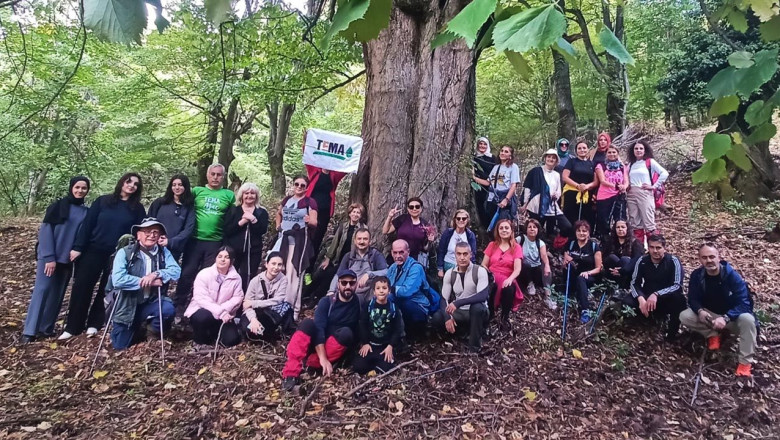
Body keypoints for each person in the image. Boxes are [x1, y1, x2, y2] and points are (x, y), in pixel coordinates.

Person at [60, 173, 146, 340]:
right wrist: (78, 247)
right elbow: (88, 225)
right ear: (121, 182)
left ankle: (94, 323)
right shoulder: (103, 201)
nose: (131, 185)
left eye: (135, 184)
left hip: (118, 255)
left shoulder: (137, 208)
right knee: (82, 287)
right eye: (129, 181)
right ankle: (72, 327)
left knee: (106, 290)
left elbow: (139, 232)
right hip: (93, 249)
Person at [21, 176, 91, 344]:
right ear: (71, 187)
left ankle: (46, 328)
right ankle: (29, 331)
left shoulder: (86, 212)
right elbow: (45, 232)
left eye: (83, 188)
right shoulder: (57, 206)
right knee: (42, 290)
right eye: (77, 187)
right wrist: (49, 257)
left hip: (67, 260)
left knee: (57, 294)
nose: (80, 190)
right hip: (50, 257)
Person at [680, 244, 757, 377]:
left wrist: (726, 317)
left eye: (711, 257)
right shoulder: (698, 276)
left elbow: (744, 303)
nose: (709, 260)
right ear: (699, 259)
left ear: (718, 257)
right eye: (704, 257)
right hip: (710, 316)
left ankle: (745, 363)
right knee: (685, 316)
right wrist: (700, 311)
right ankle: (712, 334)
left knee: (748, 320)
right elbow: (693, 299)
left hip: (732, 318)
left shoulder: (732, 276)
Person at [281, 269, 361, 391]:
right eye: (344, 283)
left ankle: (312, 364)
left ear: (356, 284)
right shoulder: (327, 302)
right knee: (307, 324)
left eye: (351, 283)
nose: (348, 286)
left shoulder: (359, 303)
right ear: (338, 284)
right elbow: (319, 329)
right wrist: (323, 358)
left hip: (336, 347)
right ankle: (291, 374)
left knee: (347, 333)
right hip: (318, 344)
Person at [174, 164, 235, 320]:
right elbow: (180, 204)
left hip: (215, 242)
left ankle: (202, 306)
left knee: (209, 277)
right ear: (208, 175)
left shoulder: (228, 195)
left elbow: (233, 216)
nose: (215, 177)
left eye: (219, 175)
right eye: (213, 174)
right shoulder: (197, 191)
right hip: (194, 241)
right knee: (187, 273)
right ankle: (179, 305)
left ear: (223, 177)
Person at [109, 218, 181, 350]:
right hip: (127, 305)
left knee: (167, 309)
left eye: (155, 232)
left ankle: (152, 332)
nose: (152, 235)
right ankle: (136, 328)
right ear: (138, 234)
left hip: (151, 302)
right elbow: (118, 280)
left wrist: (156, 274)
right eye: (147, 231)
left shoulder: (163, 252)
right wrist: (146, 281)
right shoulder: (125, 252)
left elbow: (176, 271)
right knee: (120, 346)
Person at [273, 175, 318, 320]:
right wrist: (278, 226)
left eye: (302, 185)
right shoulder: (287, 200)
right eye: (297, 184)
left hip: (298, 244)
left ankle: (293, 310)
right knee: (280, 272)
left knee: (295, 275)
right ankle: (278, 305)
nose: (299, 187)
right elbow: (279, 213)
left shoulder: (309, 202)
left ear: (306, 187)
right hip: (283, 241)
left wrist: (309, 221)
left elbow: (314, 222)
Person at [627, 234, 685, 340]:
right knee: (627, 301)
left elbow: (677, 285)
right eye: (652, 247)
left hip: (665, 297)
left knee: (680, 300)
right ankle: (643, 322)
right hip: (646, 296)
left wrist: (657, 294)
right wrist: (641, 299)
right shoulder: (642, 261)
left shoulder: (673, 261)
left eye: (658, 247)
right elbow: (634, 283)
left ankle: (671, 334)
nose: (655, 251)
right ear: (648, 248)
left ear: (664, 248)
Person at [434, 242, 490, 352]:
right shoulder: (450, 273)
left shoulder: (480, 271)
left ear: (471, 255)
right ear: (454, 255)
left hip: (478, 313)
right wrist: (447, 318)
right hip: (460, 312)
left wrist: (458, 303)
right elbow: (443, 298)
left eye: (465, 254)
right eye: (459, 254)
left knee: (477, 307)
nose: (462, 258)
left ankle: (474, 347)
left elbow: (482, 296)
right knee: (437, 317)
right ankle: (457, 334)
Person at [184, 246, 244, 348]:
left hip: (224, 315)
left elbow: (238, 298)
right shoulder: (204, 274)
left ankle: (215, 335)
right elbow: (201, 298)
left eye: (226, 257)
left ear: (232, 261)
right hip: (203, 310)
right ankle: (200, 340)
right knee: (203, 317)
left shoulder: (236, 278)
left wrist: (224, 311)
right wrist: (220, 312)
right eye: (220, 256)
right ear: (215, 258)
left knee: (232, 339)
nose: (222, 259)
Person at [386, 239, 441, 340]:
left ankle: (413, 334)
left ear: (408, 252)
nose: (398, 256)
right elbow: (385, 278)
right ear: (391, 253)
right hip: (401, 302)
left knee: (395, 300)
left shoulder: (416, 268)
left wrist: (388, 289)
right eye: (395, 252)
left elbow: (406, 291)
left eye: (401, 252)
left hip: (418, 306)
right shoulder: (393, 267)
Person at [312, 203, 366, 300]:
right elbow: (335, 243)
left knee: (331, 275)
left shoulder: (363, 229)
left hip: (352, 261)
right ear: (350, 213)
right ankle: (309, 295)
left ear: (361, 215)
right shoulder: (343, 226)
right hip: (338, 259)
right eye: (354, 212)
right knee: (321, 272)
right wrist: (328, 258)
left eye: (358, 213)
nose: (355, 214)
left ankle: (319, 298)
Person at [222, 182, 269, 291]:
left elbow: (262, 231)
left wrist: (253, 220)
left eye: (252, 193)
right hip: (233, 250)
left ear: (256, 196)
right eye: (246, 193)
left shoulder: (261, 212)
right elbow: (227, 230)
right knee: (230, 275)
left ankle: (245, 300)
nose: (249, 196)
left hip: (253, 251)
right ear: (241, 195)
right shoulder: (234, 210)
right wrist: (242, 222)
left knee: (249, 276)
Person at [353, 276, 403, 374]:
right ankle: (372, 364)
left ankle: (378, 366)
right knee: (357, 366)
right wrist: (365, 342)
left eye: (384, 288)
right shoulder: (368, 306)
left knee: (387, 368)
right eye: (378, 288)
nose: (381, 291)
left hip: (384, 346)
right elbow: (362, 324)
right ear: (374, 291)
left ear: (389, 291)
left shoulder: (393, 308)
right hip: (370, 344)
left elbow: (397, 329)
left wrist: (391, 346)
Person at [520, 149, 572, 239]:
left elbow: (558, 190)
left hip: (552, 206)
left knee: (567, 226)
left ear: (556, 161)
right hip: (536, 206)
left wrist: (556, 195)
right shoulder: (535, 171)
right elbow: (528, 187)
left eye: (553, 158)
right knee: (537, 232)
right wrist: (525, 203)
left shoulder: (556, 174)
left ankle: (557, 244)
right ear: (545, 158)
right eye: (549, 157)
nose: (551, 159)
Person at [482, 219, 524, 329]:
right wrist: (489, 275)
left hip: (507, 277)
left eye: (506, 228)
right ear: (497, 231)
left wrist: (510, 279)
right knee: (490, 286)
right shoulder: (492, 245)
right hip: (491, 276)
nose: (504, 230)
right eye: (501, 228)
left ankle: (504, 317)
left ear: (511, 231)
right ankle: (490, 314)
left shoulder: (516, 247)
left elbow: (517, 269)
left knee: (509, 288)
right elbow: (484, 264)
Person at [240, 252, 291, 342]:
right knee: (247, 330)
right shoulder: (255, 281)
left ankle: (273, 333)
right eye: (273, 264)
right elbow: (246, 305)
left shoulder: (283, 279)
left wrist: (254, 303)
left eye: (279, 265)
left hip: (272, 313)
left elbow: (278, 300)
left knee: (266, 329)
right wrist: (253, 320)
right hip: (255, 312)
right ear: (266, 264)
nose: (276, 267)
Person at [328, 228, 388, 304]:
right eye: (359, 239)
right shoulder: (348, 256)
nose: (362, 241)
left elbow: (386, 272)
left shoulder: (375, 255)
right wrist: (331, 291)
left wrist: (369, 274)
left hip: (367, 294)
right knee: (326, 302)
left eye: (365, 239)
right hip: (348, 291)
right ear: (355, 241)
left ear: (370, 241)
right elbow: (338, 275)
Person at [627, 141, 669, 245]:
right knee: (635, 222)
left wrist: (654, 186)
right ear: (633, 151)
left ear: (645, 150)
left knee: (649, 222)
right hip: (631, 194)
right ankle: (639, 248)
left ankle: (655, 247)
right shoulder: (631, 164)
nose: (638, 151)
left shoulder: (650, 162)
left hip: (645, 193)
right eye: (636, 149)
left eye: (641, 148)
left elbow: (664, 173)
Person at [304, 162, 347, 262]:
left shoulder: (334, 175)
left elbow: (346, 166)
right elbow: (307, 151)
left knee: (317, 240)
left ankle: (308, 271)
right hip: (309, 210)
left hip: (325, 212)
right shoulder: (314, 170)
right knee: (304, 237)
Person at [147, 174, 195, 261]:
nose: (177, 187)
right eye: (174, 185)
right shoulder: (160, 202)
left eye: (180, 185)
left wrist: (169, 242)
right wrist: (154, 238)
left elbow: (188, 229)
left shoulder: (189, 207)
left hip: (173, 250)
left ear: (185, 186)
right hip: (153, 245)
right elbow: (149, 221)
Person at [563, 220, 603, 324]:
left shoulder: (594, 246)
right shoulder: (571, 244)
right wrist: (566, 260)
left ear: (588, 233)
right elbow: (565, 258)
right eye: (579, 231)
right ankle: (568, 294)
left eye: (584, 231)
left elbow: (598, 268)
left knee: (581, 278)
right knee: (568, 267)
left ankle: (586, 310)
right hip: (574, 275)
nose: (581, 233)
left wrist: (588, 273)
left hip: (589, 277)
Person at [474, 145, 521, 224]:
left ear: (510, 155)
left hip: (504, 197)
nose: (502, 153)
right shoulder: (496, 167)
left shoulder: (513, 167)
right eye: (502, 151)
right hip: (493, 199)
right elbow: (488, 183)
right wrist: (474, 178)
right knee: (492, 222)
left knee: (503, 222)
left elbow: (513, 185)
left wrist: (506, 200)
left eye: (506, 151)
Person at [516, 219, 556, 310]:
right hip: (523, 270)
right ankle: (530, 284)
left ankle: (548, 295)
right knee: (525, 263)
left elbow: (544, 257)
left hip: (535, 270)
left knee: (546, 267)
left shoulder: (540, 243)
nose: (532, 229)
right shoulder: (520, 239)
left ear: (538, 230)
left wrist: (547, 266)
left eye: (534, 227)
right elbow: (511, 248)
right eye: (529, 227)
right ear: (526, 229)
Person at [383, 197, 434, 263]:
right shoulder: (402, 219)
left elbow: (426, 248)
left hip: (414, 259)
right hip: (398, 256)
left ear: (421, 208)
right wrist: (390, 216)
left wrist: (431, 240)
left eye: (417, 206)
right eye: (411, 207)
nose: (414, 209)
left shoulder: (425, 225)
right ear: (408, 209)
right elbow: (385, 231)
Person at [561, 140, 598, 232]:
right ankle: (570, 238)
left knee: (586, 217)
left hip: (586, 194)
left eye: (584, 148)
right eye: (579, 148)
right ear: (576, 150)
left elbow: (595, 181)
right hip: (571, 193)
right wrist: (578, 186)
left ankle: (586, 237)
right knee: (571, 216)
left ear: (588, 150)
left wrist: (586, 186)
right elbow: (565, 177)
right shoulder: (572, 161)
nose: (582, 150)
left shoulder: (592, 164)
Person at [594, 146, 628, 238]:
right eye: (609, 152)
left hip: (619, 196)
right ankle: (603, 240)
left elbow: (626, 181)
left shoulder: (622, 166)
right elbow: (602, 181)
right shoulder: (601, 165)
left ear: (617, 153)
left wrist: (624, 187)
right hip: (604, 196)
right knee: (604, 220)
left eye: (614, 152)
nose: (612, 154)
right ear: (606, 154)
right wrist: (616, 186)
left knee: (620, 219)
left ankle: (619, 240)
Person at [602, 220, 644, 289]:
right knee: (611, 258)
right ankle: (611, 285)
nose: (620, 229)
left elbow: (637, 260)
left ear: (627, 229)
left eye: (623, 227)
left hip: (628, 272)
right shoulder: (610, 241)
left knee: (625, 260)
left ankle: (623, 288)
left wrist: (622, 270)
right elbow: (604, 257)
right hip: (613, 272)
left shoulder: (635, 243)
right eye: (618, 227)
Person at [437, 210, 477, 278]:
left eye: (463, 218)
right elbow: (441, 251)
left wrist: (471, 269)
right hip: (449, 264)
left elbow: (472, 253)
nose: (461, 220)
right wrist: (440, 269)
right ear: (455, 220)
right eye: (458, 218)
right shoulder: (448, 233)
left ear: (467, 220)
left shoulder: (470, 235)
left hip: (464, 266)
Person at [472, 136, 496, 230]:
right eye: (480, 144)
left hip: (490, 186)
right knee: (480, 207)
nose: (482, 146)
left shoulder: (492, 158)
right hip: (478, 186)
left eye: (484, 144)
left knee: (490, 207)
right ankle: (484, 227)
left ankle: (491, 228)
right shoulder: (474, 158)